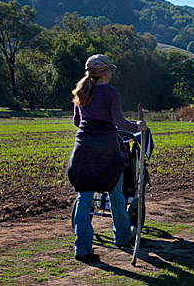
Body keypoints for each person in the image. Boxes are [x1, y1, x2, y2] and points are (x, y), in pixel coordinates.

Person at [68, 54, 147, 261]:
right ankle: (121, 236)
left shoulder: (82, 91)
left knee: (84, 198)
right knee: (116, 194)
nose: (111, 72)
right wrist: (138, 126)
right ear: (105, 73)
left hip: (82, 149)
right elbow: (119, 121)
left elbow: (77, 121)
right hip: (106, 151)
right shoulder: (111, 93)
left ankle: (82, 248)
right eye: (110, 69)